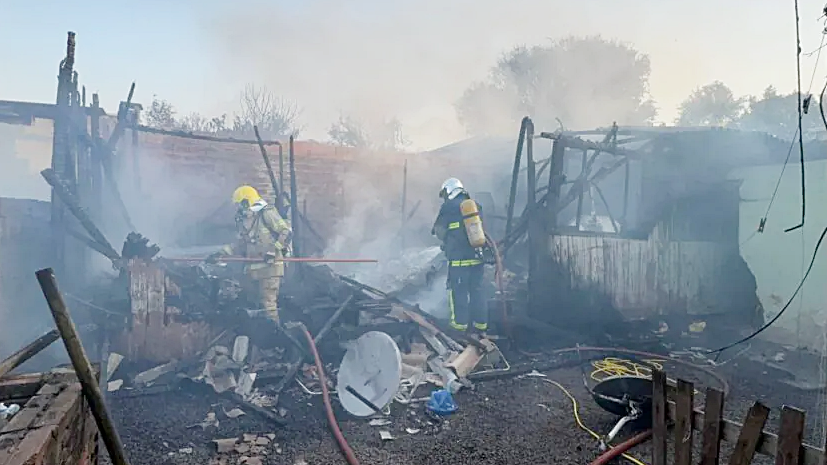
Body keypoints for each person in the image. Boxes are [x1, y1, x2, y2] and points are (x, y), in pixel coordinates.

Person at [210, 185, 292, 324]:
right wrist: (221, 253)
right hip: (252, 271)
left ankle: (275, 334)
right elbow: (241, 243)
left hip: (270, 268)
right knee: (252, 306)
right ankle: (256, 334)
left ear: (246, 202)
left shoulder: (267, 213)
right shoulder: (243, 220)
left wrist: (274, 250)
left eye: (239, 204)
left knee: (268, 306)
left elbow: (286, 232)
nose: (238, 208)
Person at [431, 177, 490, 334]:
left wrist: (447, 241)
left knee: (458, 292)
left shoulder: (448, 207)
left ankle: (459, 327)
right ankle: (480, 326)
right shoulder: (475, 206)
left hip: (459, 261)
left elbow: (438, 230)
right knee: (477, 291)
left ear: (449, 191)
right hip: (477, 258)